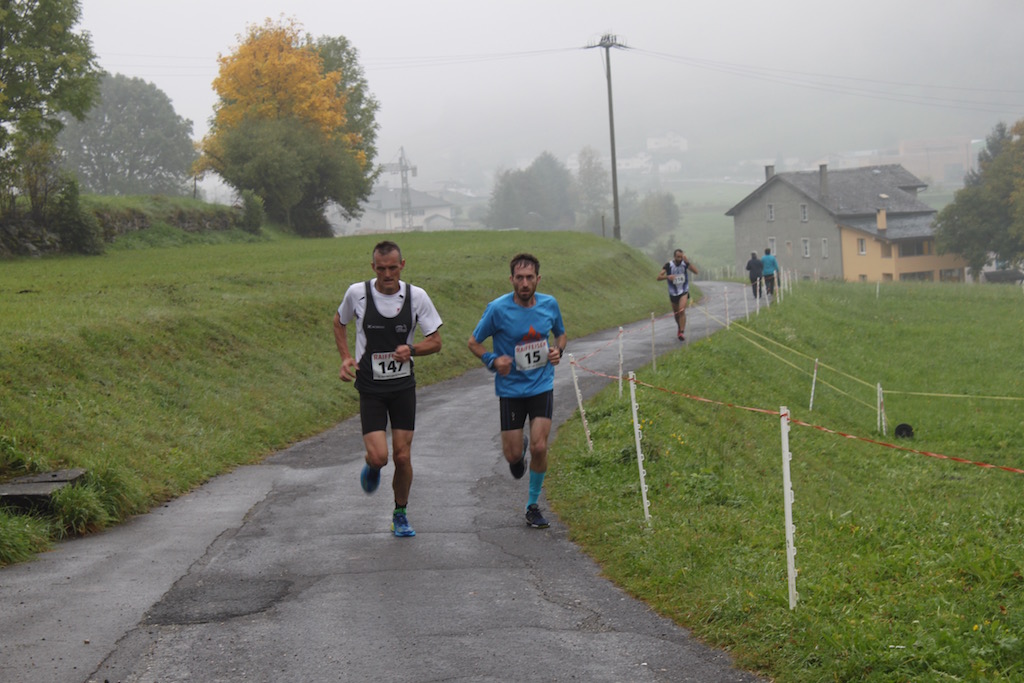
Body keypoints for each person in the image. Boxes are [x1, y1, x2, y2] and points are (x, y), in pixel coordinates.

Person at [333, 240, 443, 538]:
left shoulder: (417, 297)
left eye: (393, 268)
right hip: (370, 388)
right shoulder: (357, 293)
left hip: (402, 388)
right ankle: (372, 465)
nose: (387, 274)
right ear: (373, 267)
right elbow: (339, 322)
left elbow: (436, 342)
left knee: (403, 457)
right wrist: (345, 357)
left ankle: (400, 514)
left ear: (402, 265)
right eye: (381, 269)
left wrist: (413, 349)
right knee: (380, 457)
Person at [468, 253, 567, 529]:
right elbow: (474, 342)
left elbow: (560, 334)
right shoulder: (497, 309)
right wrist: (492, 360)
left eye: (529, 277)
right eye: (519, 278)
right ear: (511, 279)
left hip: (541, 385)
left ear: (538, 279)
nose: (525, 283)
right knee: (513, 457)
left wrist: (558, 350)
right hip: (510, 389)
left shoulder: (549, 304)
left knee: (540, 446)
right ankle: (519, 447)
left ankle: (532, 505)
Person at [656, 249, 699, 341]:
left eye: (681, 257)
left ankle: (682, 332)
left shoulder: (685, 263)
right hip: (673, 293)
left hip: (684, 291)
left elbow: (696, 272)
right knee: (676, 314)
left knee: (681, 310)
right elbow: (658, 277)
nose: (680, 259)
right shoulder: (668, 265)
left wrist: (688, 262)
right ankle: (679, 328)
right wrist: (668, 277)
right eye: (678, 257)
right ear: (674, 257)